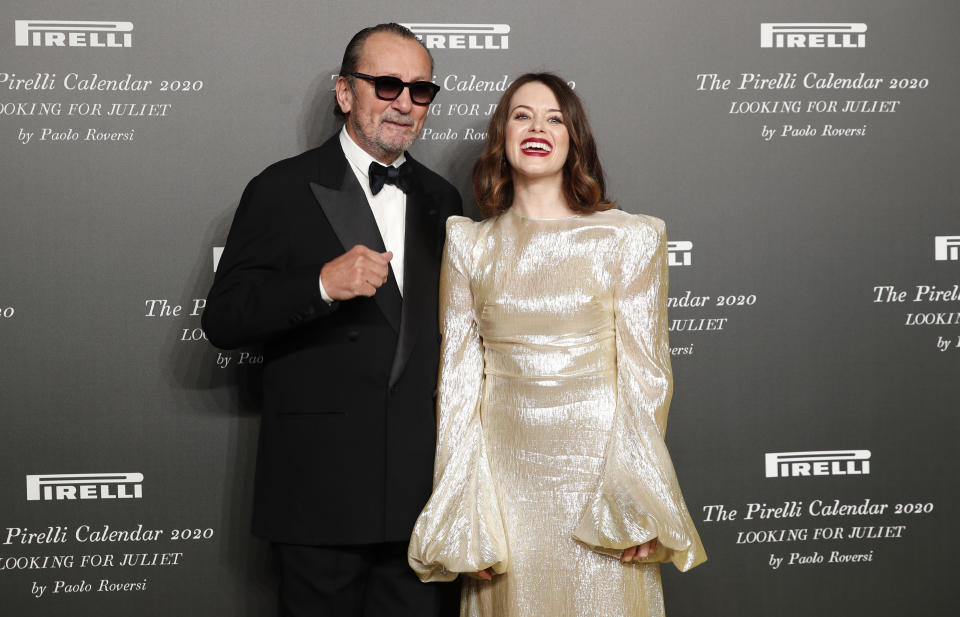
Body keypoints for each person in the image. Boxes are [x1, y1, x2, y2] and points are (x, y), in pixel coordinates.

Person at [408, 73, 705, 617]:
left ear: (575, 140)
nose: (538, 127)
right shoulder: (469, 243)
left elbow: (648, 378)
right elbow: (455, 385)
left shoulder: (629, 237)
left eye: (555, 117)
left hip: (600, 476)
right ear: (502, 134)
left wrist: (639, 497)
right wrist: (462, 511)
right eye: (522, 115)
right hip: (504, 479)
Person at [202, 23, 462, 617]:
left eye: (420, 90)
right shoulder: (281, 187)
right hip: (318, 491)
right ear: (345, 93)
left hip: (419, 494)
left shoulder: (442, 199)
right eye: (387, 84)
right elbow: (224, 318)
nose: (404, 102)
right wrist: (321, 284)